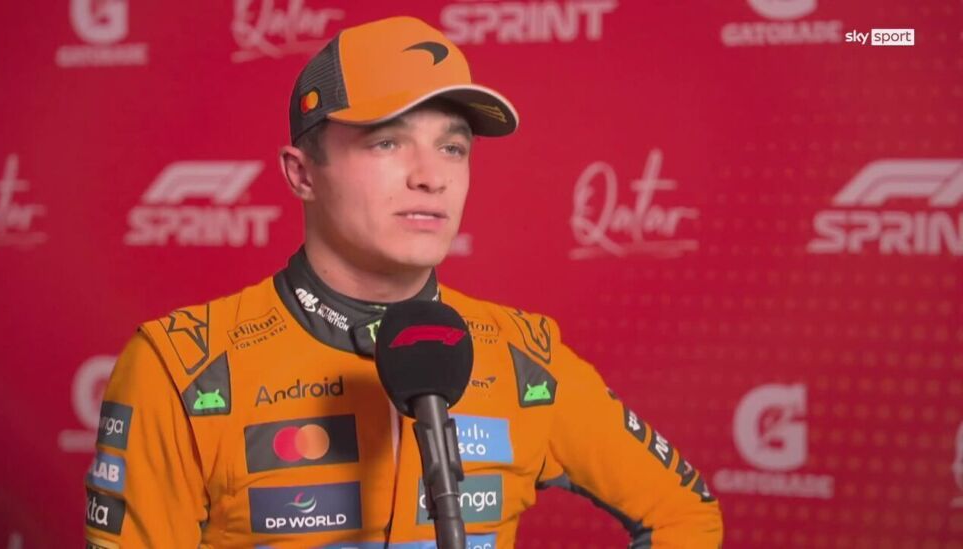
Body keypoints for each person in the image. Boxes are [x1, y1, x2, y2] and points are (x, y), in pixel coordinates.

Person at [84, 15, 723, 549]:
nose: (431, 176)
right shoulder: (183, 368)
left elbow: (685, 515)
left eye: (452, 148)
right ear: (302, 174)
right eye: (387, 143)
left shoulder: (525, 356)